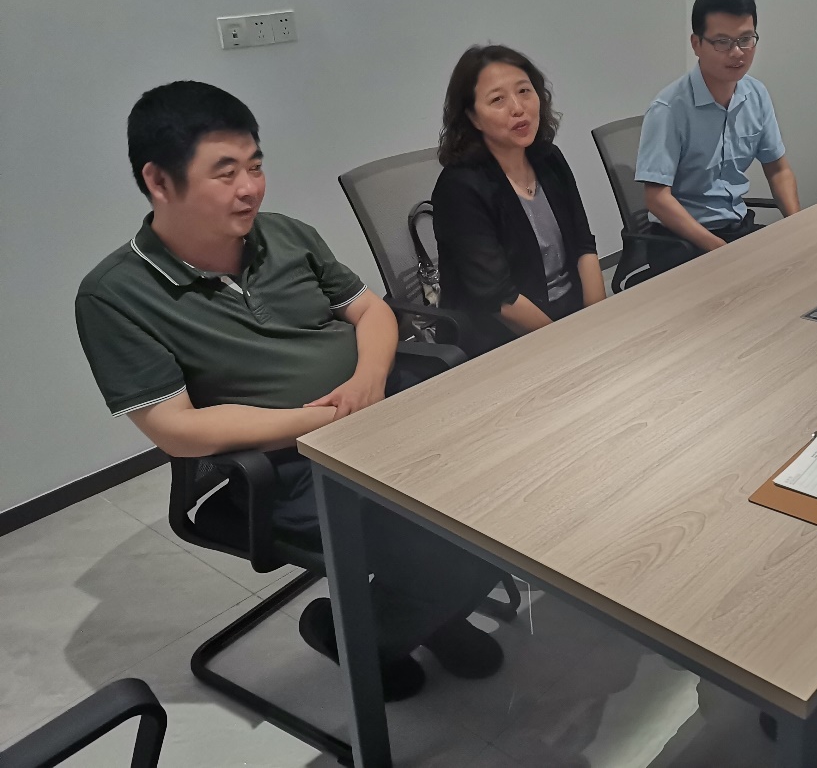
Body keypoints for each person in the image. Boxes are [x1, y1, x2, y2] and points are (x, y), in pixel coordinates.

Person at [75, 81, 505, 702]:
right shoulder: (116, 295)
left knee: (515, 485)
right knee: (451, 533)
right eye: (225, 172)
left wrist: (366, 381)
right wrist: (321, 421)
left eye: (255, 166)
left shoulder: (286, 235)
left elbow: (372, 312)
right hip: (292, 465)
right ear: (159, 181)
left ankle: (415, 614)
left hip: (381, 410)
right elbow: (176, 429)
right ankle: (360, 629)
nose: (250, 188)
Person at [432, 44, 605, 357]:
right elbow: (499, 298)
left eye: (524, 91)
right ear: (473, 117)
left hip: (571, 319)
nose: (517, 108)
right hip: (502, 341)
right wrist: (570, 345)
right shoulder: (459, 188)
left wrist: (599, 322)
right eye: (497, 99)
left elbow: (584, 247)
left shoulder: (549, 159)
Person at [634, 0, 800, 276]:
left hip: (736, 228)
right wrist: (717, 249)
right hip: (682, 239)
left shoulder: (756, 95)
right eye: (722, 42)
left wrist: (799, 226)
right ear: (696, 44)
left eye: (746, 40)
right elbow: (657, 198)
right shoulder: (670, 109)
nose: (737, 53)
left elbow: (778, 169)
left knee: (801, 270)